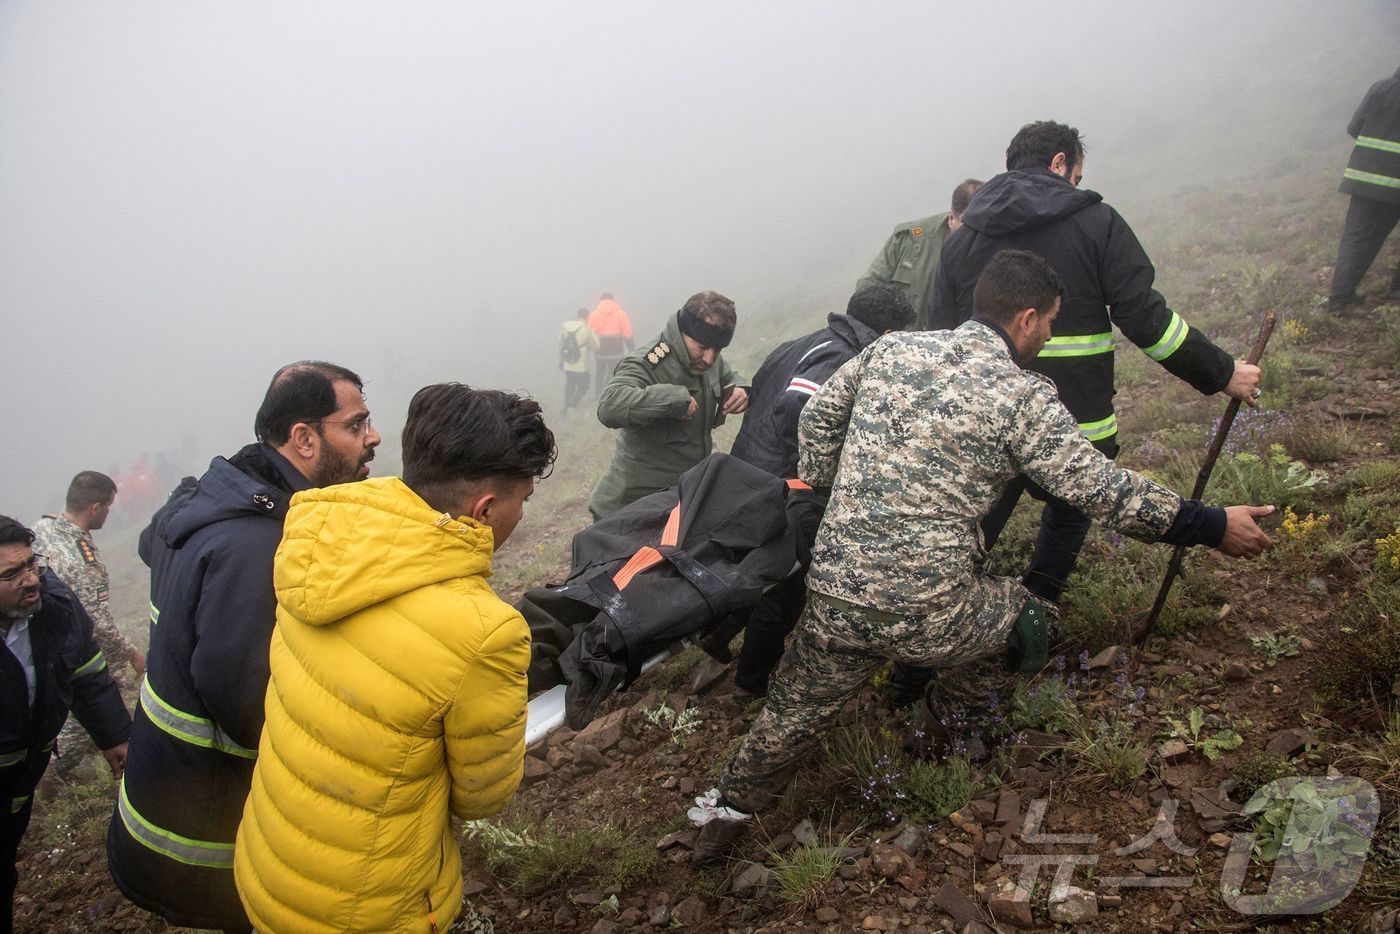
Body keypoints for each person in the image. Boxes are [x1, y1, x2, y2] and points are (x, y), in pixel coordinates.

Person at [688, 250, 1274, 867]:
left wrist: (824, 494)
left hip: (834, 592)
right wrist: (1210, 524)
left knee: (791, 714)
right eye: (1050, 321)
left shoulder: (892, 352)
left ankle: (724, 818)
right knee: (1032, 618)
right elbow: (1101, 491)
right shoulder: (1022, 397)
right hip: (931, 608)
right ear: (1025, 319)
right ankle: (960, 730)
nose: (1049, 335)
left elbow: (820, 417)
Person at [920, 121, 1262, 703]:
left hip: (984, 426)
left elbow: (938, 336)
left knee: (968, 533)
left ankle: (913, 670)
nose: (1079, 183)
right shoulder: (1096, 221)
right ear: (1060, 164)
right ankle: (1032, 626)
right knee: (1070, 513)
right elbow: (1147, 320)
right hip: (1079, 419)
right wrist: (1222, 370)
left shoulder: (964, 236)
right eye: (1078, 173)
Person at [234, 383, 555, 933]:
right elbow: (482, 796)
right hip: (366, 910)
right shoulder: (483, 631)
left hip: (271, 869)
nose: (521, 514)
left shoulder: (323, 537)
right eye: (522, 499)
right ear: (484, 508)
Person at [108, 361, 380, 932]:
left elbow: (151, 543)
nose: (373, 439)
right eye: (356, 426)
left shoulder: (209, 500)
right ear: (304, 438)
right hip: (206, 841)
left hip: (162, 801)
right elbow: (246, 701)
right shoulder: (261, 548)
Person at [724, 282, 914, 696]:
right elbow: (796, 406)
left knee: (753, 574)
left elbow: (764, 392)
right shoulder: (844, 357)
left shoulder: (803, 342)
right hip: (784, 486)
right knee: (786, 587)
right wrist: (820, 471)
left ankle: (723, 648)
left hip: (749, 474)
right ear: (887, 334)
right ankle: (752, 683)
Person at [1, 517, 131, 934]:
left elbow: (87, 671)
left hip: (23, 774)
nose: (30, 579)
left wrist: (115, 736)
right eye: (11, 573)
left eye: (31, 564)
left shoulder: (53, 605)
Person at [589, 291, 750, 521]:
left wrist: (739, 388)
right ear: (684, 332)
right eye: (702, 346)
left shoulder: (710, 359)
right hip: (629, 511)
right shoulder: (653, 359)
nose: (709, 359)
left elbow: (728, 375)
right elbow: (609, 404)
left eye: (718, 350)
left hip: (677, 504)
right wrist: (671, 400)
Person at [33, 472, 144, 779]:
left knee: (69, 717)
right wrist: (131, 653)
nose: (109, 512)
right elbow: (96, 623)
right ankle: (49, 776)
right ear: (95, 508)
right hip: (73, 655)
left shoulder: (42, 529)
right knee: (97, 717)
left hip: (42, 653)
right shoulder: (82, 559)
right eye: (108, 505)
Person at [856, 179, 983, 328]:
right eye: (968, 226)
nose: (973, 235)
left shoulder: (996, 244)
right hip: (901, 345)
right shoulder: (908, 241)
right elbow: (866, 289)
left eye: (980, 227)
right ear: (951, 219)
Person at [1329, 66, 1400, 315]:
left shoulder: (1381, 88)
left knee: (1356, 239)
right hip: (1396, 185)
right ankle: (1396, 289)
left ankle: (1338, 300)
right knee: (1376, 237)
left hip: (1365, 178)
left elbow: (1354, 127)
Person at [587, 291, 636, 396]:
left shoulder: (594, 315)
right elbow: (627, 333)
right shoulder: (620, 314)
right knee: (613, 372)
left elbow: (589, 333)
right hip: (616, 348)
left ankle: (598, 393)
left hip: (600, 349)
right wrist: (631, 348)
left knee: (600, 372)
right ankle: (610, 393)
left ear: (600, 301)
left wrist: (590, 349)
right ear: (613, 300)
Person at [559, 307, 600, 411]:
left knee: (570, 385)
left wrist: (561, 361)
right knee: (584, 386)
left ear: (577, 315)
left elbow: (560, 345)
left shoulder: (565, 328)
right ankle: (572, 405)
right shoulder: (586, 329)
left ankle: (566, 406)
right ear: (587, 317)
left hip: (568, 363)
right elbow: (596, 346)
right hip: (582, 365)